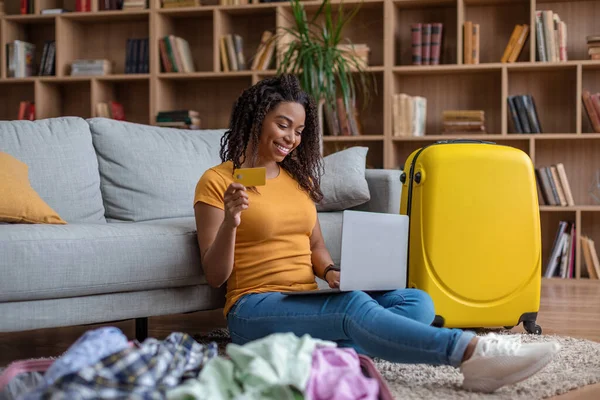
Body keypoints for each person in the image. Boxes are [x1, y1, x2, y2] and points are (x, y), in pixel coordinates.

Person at [193, 74, 560, 393]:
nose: (291, 138)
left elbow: (315, 244)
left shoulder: (295, 182)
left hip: (301, 301)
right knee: (355, 309)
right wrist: (230, 221)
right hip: (252, 308)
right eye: (283, 125)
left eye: (300, 131)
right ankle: (469, 354)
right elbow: (215, 275)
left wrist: (331, 272)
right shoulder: (218, 181)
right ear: (256, 120)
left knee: (416, 303)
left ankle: (325, 356)